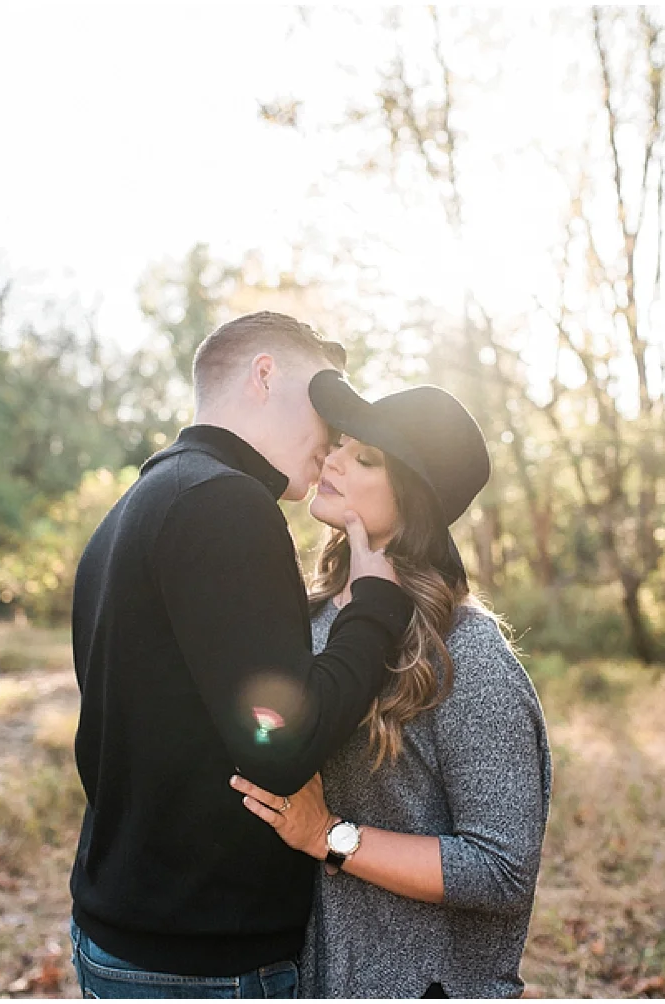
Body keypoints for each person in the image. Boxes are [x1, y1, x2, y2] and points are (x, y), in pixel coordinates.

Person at [68, 312, 417, 999]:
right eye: (325, 402)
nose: (332, 439)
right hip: (204, 962)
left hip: (127, 931)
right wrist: (375, 610)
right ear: (265, 374)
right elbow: (279, 749)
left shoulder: (142, 503)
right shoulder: (225, 505)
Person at [231, 371, 554, 998]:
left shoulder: (466, 653)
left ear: (411, 502)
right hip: (309, 976)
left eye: (366, 456)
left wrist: (329, 836)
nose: (334, 457)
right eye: (341, 441)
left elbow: (503, 870)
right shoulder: (308, 616)